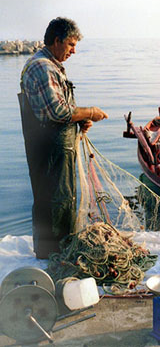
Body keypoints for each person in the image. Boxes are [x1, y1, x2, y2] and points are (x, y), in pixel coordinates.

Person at [18, 17, 108, 259]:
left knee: (62, 198)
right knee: (55, 199)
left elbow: (60, 109)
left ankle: (55, 250)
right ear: (56, 40)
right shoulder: (42, 67)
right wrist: (90, 112)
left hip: (57, 145)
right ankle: (53, 255)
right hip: (49, 148)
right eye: (70, 45)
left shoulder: (50, 64)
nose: (74, 51)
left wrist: (79, 120)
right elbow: (57, 111)